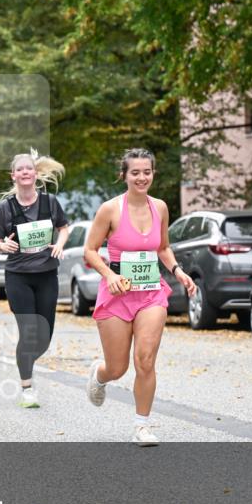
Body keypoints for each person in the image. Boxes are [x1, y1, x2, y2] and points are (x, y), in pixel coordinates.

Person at [83, 148, 197, 446]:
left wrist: (177, 270)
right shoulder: (110, 209)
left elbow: (162, 247)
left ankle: (142, 426)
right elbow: (90, 251)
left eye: (147, 171)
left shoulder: (159, 207)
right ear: (124, 175)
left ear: (153, 174)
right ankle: (100, 374)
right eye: (135, 172)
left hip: (151, 292)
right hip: (117, 293)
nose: (141, 177)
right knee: (118, 367)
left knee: (145, 360)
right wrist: (109, 275)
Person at [0, 150, 70, 409]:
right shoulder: (7, 207)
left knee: (44, 338)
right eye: (20, 169)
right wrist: (3, 247)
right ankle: (27, 387)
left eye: (29, 168)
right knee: (28, 332)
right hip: (18, 277)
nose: (25, 172)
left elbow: (64, 228)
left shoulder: (50, 202)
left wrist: (59, 245)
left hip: (47, 274)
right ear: (13, 175)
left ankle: (24, 361)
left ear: (35, 173)